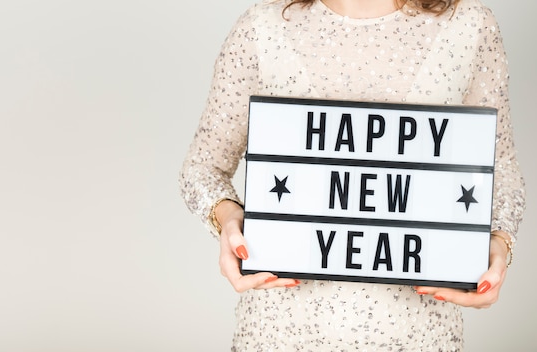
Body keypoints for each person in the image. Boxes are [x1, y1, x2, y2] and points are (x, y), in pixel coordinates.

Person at [179, 0, 525, 350]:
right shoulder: (262, 27)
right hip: (278, 333)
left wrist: (498, 243)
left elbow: (503, 172)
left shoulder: (468, 25)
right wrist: (228, 218)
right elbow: (203, 167)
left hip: (419, 335)